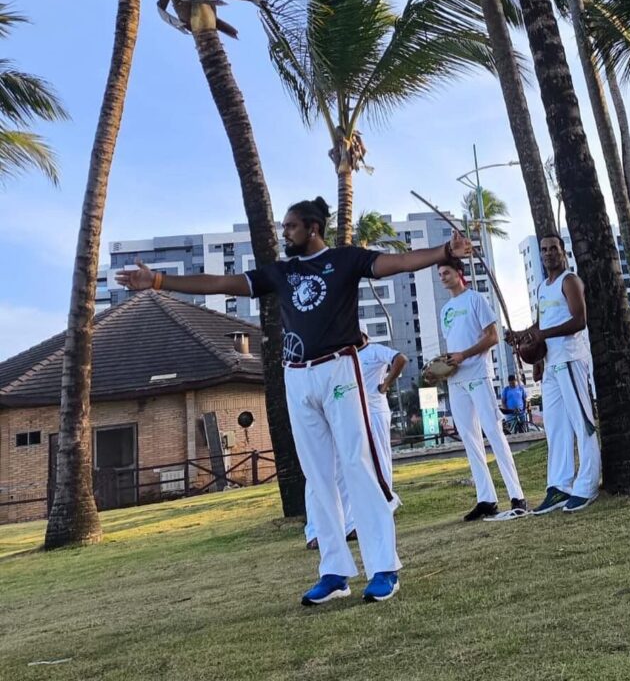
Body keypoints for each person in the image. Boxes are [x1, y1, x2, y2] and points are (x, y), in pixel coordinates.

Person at [116, 196, 472, 605]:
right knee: (317, 477)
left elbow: (399, 262)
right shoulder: (281, 272)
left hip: (339, 368)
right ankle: (335, 571)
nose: (284, 233)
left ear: (313, 228)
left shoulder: (345, 260)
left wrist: (445, 251)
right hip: (296, 375)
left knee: (357, 465)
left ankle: (384, 568)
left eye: (290, 227)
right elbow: (221, 283)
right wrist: (158, 282)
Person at [435, 257, 529, 521]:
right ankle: (486, 499)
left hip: (478, 375)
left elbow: (492, 337)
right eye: (440, 273)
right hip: (456, 380)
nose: (442, 277)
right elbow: (453, 345)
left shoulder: (476, 299)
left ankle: (517, 495)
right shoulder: (445, 310)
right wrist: (444, 366)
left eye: (447, 272)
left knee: (494, 434)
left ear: (459, 273)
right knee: (470, 440)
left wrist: (464, 355)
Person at [514, 235, 600, 514]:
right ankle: (559, 486)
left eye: (553, 248)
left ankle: (587, 485)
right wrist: (526, 340)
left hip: (571, 358)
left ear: (563, 252)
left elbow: (579, 320)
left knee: (582, 424)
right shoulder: (542, 287)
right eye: (543, 249)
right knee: (555, 427)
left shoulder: (569, 280)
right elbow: (542, 323)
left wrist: (542, 334)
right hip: (551, 363)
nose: (548, 253)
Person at [304, 333, 407, 549]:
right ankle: (325, 529)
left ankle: (378, 512)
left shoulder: (374, 350)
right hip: (346, 415)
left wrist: (386, 384)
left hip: (374, 412)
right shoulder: (339, 357)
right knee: (337, 469)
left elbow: (401, 359)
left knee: (377, 462)